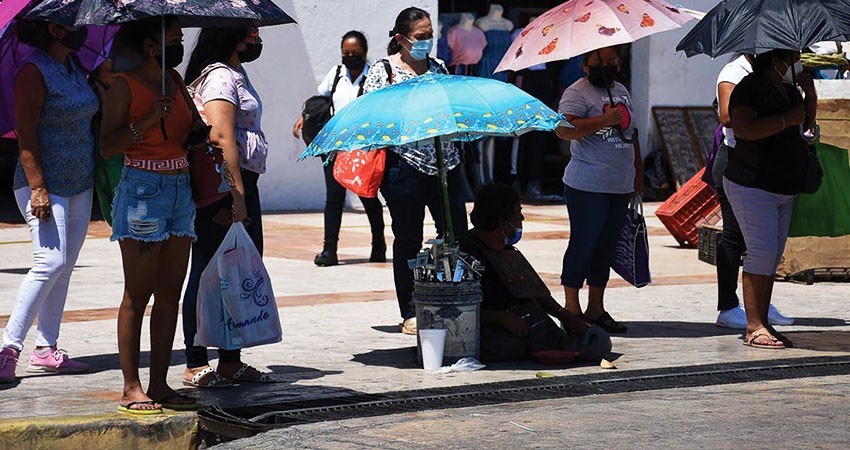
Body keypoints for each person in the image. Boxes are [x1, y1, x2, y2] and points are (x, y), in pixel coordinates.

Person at [100, 16, 198, 414]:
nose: (180, 45)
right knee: (138, 293)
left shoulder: (174, 81)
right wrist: (145, 122)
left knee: (170, 293)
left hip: (180, 190)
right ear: (150, 44)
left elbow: (188, 131)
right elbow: (107, 146)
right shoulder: (123, 87)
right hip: (142, 190)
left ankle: (159, 383)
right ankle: (131, 386)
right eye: (174, 38)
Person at [0, 19, 97, 383]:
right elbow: (25, 135)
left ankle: (46, 348)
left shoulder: (75, 67)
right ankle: (8, 348)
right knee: (49, 261)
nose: (81, 26)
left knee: (65, 266)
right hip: (42, 184)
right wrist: (38, 186)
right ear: (54, 30)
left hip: (79, 182)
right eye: (72, 22)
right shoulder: (33, 72)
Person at [362, 7, 466, 335]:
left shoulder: (439, 68)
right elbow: (371, 116)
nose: (427, 43)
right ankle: (409, 310)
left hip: (445, 163)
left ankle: (454, 298)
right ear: (401, 39)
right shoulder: (384, 71)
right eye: (420, 37)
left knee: (456, 234)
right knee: (408, 239)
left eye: (429, 36)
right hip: (404, 166)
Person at [180, 26, 273, 388]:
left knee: (237, 273)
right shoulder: (219, 76)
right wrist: (235, 195)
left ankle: (231, 361)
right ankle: (195, 361)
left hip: (242, 182)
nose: (257, 41)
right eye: (252, 34)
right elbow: (221, 137)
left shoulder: (236, 72)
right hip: (223, 184)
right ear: (232, 36)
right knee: (207, 272)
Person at [725, 49, 816, 350]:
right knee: (761, 254)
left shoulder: (788, 90)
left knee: (771, 258)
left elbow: (804, 122)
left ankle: (763, 320)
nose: (794, 64)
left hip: (783, 187)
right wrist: (784, 119)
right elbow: (744, 127)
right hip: (753, 185)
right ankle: (754, 326)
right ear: (776, 61)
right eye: (791, 59)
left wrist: (809, 93)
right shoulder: (749, 89)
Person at [458, 184, 612, 362]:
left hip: (523, 321)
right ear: (501, 221)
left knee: (598, 341)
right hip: (482, 330)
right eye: (518, 212)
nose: (522, 218)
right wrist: (501, 318)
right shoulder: (464, 253)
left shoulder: (507, 251)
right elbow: (454, 310)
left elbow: (534, 291)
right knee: (510, 347)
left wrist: (565, 316)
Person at [555, 46, 644, 334]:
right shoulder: (577, 93)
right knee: (584, 244)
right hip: (587, 184)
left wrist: (638, 171)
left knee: (605, 248)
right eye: (598, 61)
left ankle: (596, 307)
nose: (604, 65)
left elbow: (633, 134)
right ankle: (571, 308)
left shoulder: (621, 90)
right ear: (585, 65)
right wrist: (604, 121)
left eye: (610, 61)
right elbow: (564, 130)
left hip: (619, 183)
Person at [712, 54, 794, 329]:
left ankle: (759, 304)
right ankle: (728, 306)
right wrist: (777, 118)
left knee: (765, 244)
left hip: (765, 164)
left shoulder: (780, 77)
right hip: (736, 159)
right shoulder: (734, 72)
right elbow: (727, 116)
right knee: (735, 236)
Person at [292, 31, 386, 267]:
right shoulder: (336, 74)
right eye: (346, 53)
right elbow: (320, 99)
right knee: (334, 198)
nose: (351, 57)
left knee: (368, 196)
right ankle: (329, 250)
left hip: (363, 147)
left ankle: (378, 245)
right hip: (335, 146)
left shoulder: (374, 75)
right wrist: (304, 118)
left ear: (365, 52)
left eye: (355, 53)